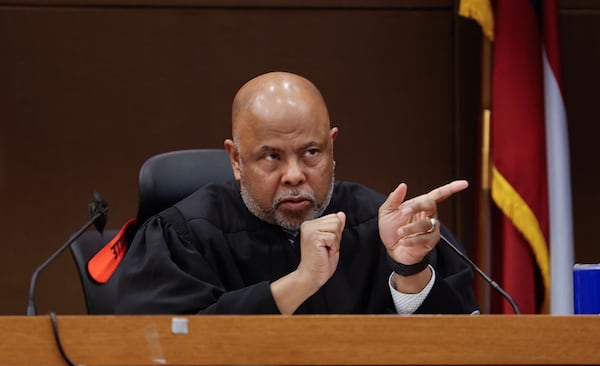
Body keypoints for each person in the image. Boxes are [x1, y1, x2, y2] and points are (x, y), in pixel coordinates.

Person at [115, 71, 479, 315]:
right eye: (271, 156)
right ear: (236, 159)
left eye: (311, 153)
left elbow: (462, 350)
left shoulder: (385, 226)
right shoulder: (184, 235)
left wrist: (410, 269)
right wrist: (301, 281)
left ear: (332, 148)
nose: (294, 175)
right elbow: (162, 347)